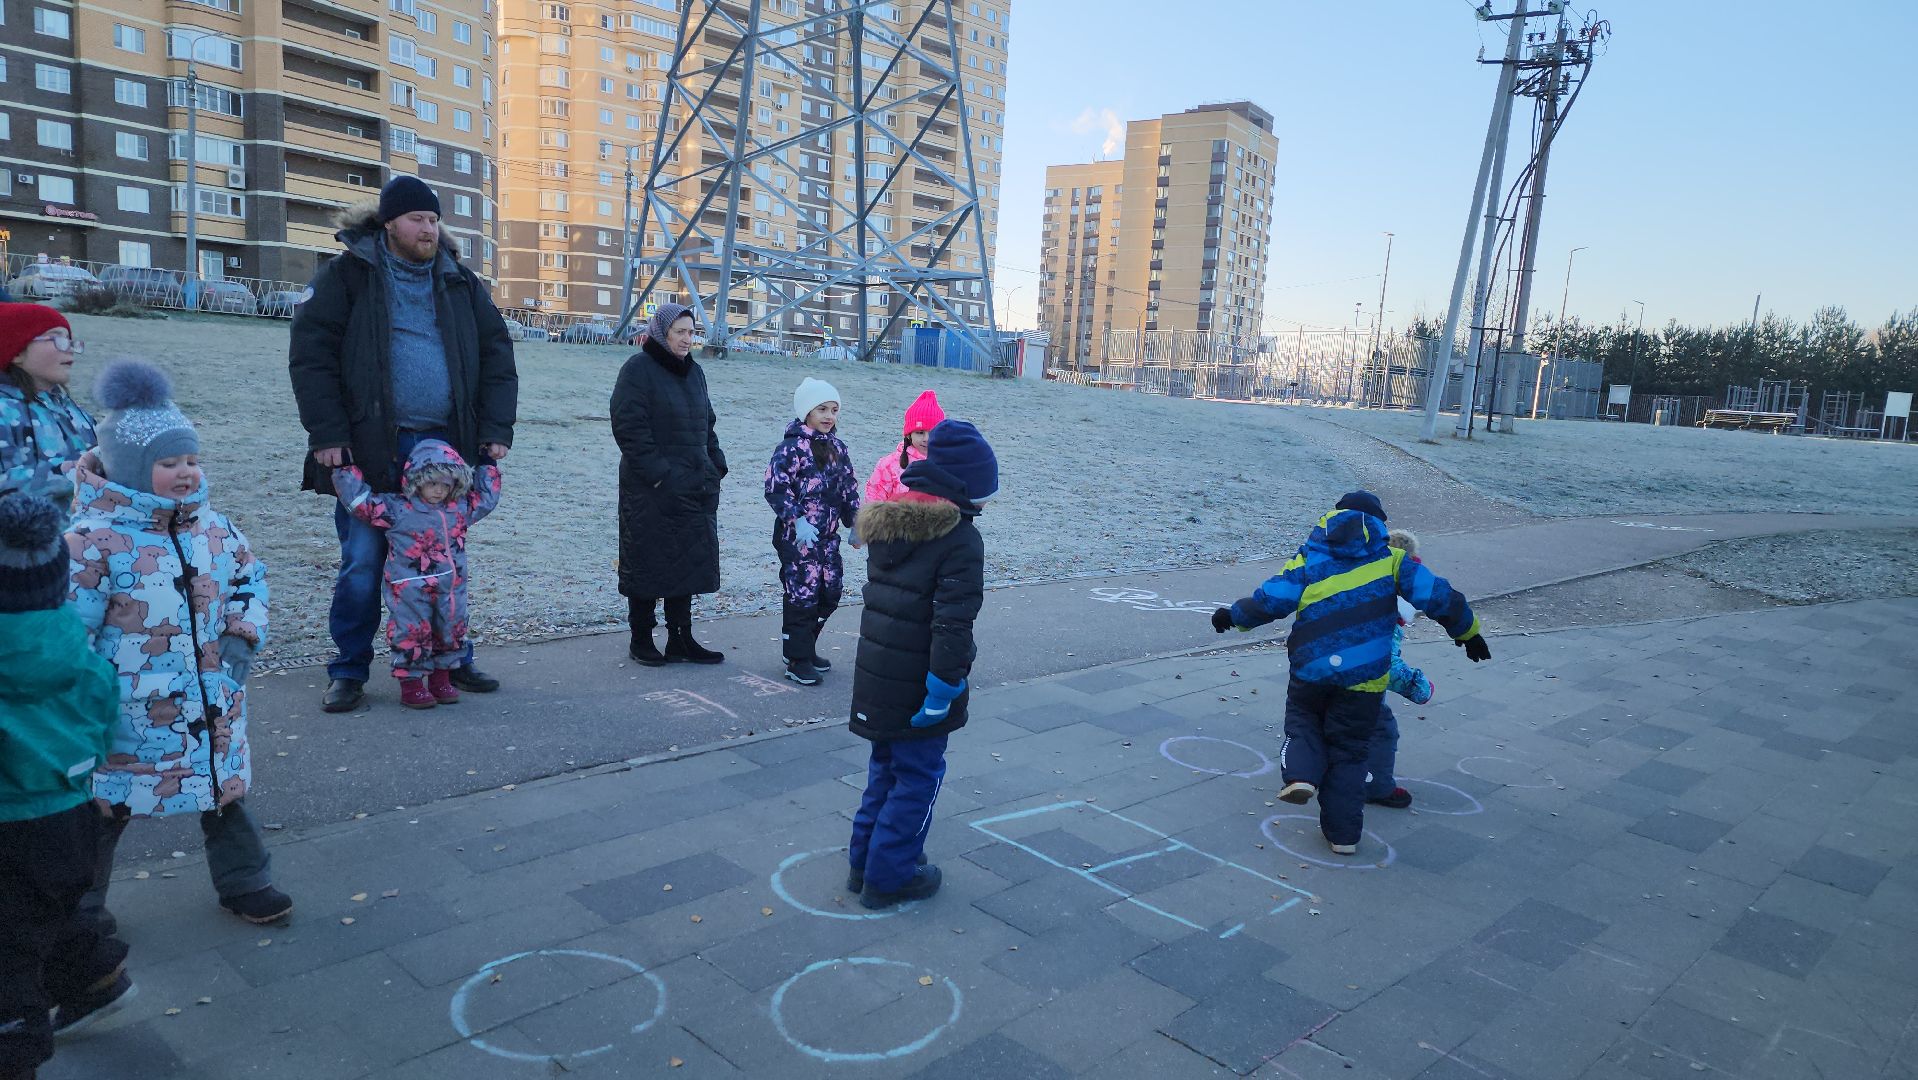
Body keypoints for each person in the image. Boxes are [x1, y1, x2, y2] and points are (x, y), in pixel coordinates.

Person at [65, 362, 290, 928]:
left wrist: (242, 634)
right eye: (169, 464)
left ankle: (246, 881)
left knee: (224, 792)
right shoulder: (93, 542)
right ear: (130, 469)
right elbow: (70, 629)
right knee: (106, 805)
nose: (186, 472)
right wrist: (84, 695)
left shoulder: (215, 528)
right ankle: (78, 910)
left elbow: (250, 579)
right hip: (127, 708)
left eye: (191, 459)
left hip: (212, 699)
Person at [288, 176, 518, 714]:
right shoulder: (348, 275)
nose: (428, 229)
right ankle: (349, 669)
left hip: (445, 451)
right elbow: (311, 357)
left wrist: (495, 430)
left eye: (434, 220)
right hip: (372, 447)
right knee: (363, 562)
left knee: (443, 562)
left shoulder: (459, 280)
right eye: (418, 219)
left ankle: (450, 660)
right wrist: (328, 434)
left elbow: (497, 356)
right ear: (389, 222)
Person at [1210, 490, 1490, 857]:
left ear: (1332, 519)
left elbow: (1272, 599)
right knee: (1350, 751)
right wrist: (1467, 632)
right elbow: (1437, 595)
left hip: (1311, 667)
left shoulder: (1311, 557)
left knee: (1303, 723)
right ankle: (1343, 837)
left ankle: (1301, 776)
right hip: (1364, 679)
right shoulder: (1393, 561)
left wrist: (1233, 616)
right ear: (1379, 527)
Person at [0, 494, 135, 1078]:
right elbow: (104, 732)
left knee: (8, 950)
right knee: (50, 904)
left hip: (9, 826)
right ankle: (94, 976)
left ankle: (15, 1049)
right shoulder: (84, 660)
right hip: (74, 819)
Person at [846, 420, 995, 909]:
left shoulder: (893, 523)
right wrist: (943, 688)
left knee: (884, 770)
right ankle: (890, 877)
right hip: (920, 684)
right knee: (917, 780)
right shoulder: (959, 540)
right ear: (963, 487)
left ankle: (863, 863)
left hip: (879, 676)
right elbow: (952, 625)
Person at [332, 440, 502, 710]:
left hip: (450, 587)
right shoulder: (399, 508)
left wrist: (488, 465)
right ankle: (411, 684)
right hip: (410, 588)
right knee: (412, 632)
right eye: (432, 483)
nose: (439, 490)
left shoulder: (458, 509)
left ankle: (440, 679)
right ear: (416, 480)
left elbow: (487, 499)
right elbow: (361, 504)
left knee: (449, 629)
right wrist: (345, 468)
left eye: (446, 484)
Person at [610, 302, 727, 667]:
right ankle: (641, 638)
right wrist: (660, 475)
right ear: (662, 333)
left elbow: (707, 424)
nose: (687, 339)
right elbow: (629, 427)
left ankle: (680, 638)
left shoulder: (695, 373)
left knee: (686, 562)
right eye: (680, 332)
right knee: (646, 562)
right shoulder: (638, 370)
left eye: (691, 332)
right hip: (651, 489)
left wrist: (716, 464)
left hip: (694, 485)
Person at [765, 378, 861, 685]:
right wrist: (797, 520)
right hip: (798, 539)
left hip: (828, 539)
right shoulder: (791, 448)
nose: (829, 416)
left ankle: (804, 646)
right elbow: (776, 488)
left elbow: (848, 488)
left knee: (830, 593)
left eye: (834, 410)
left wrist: (856, 523)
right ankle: (797, 659)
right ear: (806, 411)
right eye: (822, 409)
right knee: (802, 596)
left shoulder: (837, 448)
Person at [1364, 527, 1439, 811]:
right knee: (1381, 730)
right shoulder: (1388, 615)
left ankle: (1320, 771)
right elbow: (1387, 666)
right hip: (1360, 686)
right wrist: (1419, 687)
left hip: (1325, 673)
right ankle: (1377, 786)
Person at [0, 303, 96, 516]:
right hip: (27, 534)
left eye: (70, 341)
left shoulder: (71, 409)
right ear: (17, 352)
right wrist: (77, 473)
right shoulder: (4, 412)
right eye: (57, 339)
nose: (70, 348)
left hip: (86, 531)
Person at [863, 389, 944, 505]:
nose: (927, 438)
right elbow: (874, 500)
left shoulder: (947, 464)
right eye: (920, 433)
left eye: (932, 433)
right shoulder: (889, 465)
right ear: (909, 435)